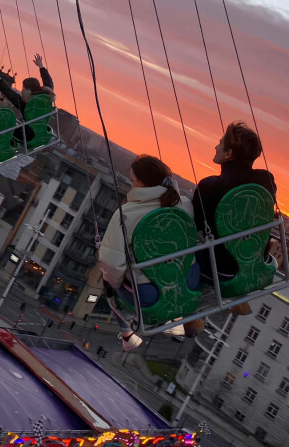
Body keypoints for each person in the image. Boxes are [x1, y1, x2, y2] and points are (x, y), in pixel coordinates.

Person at [98, 155, 201, 351]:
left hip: (150, 295)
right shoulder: (184, 204)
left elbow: (111, 265)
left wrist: (118, 282)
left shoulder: (126, 214)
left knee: (107, 276)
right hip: (189, 282)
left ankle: (128, 335)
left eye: (132, 181)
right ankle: (180, 320)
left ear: (143, 184)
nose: (130, 186)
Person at [192, 121, 277, 314]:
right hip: (255, 268)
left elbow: (194, 228)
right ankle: (237, 297)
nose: (215, 147)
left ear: (229, 153)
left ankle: (189, 311)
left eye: (220, 143)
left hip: (220, 271)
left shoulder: (209, 186)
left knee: (178, 252)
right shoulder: (266, 181)